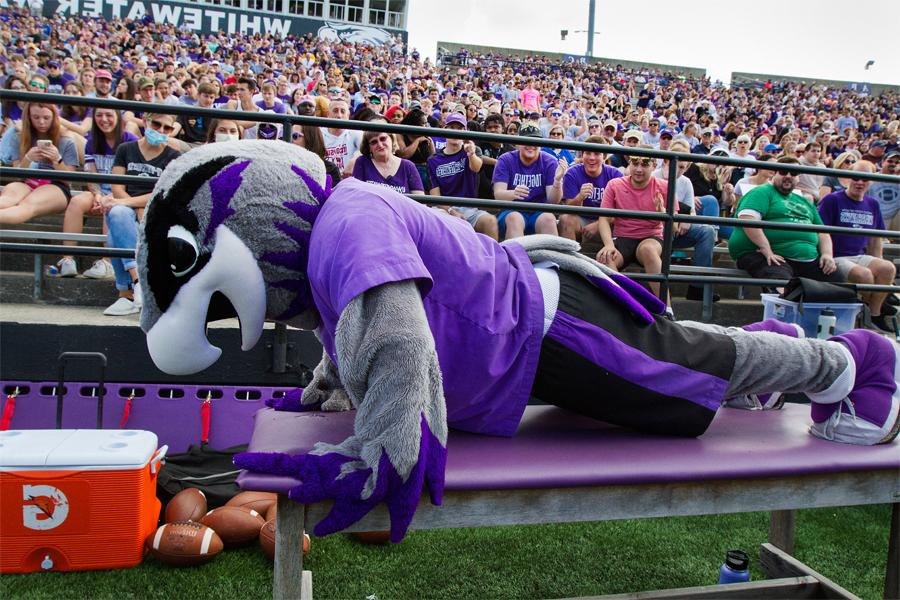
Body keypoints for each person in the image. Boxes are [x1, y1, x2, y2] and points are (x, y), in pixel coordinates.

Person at [138, 143, 899, 547]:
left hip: (558, 331)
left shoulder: (349, 222)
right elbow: (356, 328)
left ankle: (852, 361)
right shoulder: (336, 229)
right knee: (689, 365)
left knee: (687, 391)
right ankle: (764, 344)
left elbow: (398, 339)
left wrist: (380, 447)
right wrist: (327, 394)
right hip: (528, 339)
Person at [102, 113, 181, 315]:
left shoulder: (174, 156)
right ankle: (139, 282)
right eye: (157, 124)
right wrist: (128, 204)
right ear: (145, 122)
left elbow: (163, 194)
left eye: (167, 128)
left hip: (155, 210)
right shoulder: (126, 149)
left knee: (115, 223)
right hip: (127, 205)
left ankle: (126, 293)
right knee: (118, 214)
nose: (161, 130)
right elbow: (117, 186)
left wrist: (131, 204)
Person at [728, 157, 843, 284]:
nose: (788, 176)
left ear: (799, 177)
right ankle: (784, 302)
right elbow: (748, 219)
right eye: (783, 172)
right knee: (780, 280)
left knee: (837, 278)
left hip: (808, 260)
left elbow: (822, 232)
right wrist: (766, 249)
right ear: (774, 173)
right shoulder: (761, 192)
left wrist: (827, 255)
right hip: (767, 254)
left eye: (793, 173)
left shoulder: (804, 201)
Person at [54, 108, 138, 278]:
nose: (104, 119)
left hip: (121, 191)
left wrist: (110, 197)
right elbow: (91, 176)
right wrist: (97, 194)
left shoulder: (130, 140)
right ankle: (68, 259)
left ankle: (107, 262)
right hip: (99, 190)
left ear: (118, 118)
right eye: (99, 115)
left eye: (109, 115)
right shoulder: (91, 142)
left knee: (111, 208)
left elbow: (131, 178)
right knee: (76, 202)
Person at [818, 161, 897, 333]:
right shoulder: (833, 200)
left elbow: (875, 239)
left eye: (865, 179)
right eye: (855, 178)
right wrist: (826, 254)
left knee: (887, 268)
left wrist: (878, 260)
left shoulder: (873, 203)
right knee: (865, 275)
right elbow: (820, 231)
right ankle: (872, 307)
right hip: (836, 256)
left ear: (871, 181)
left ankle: (875, 315)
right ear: (847, 179)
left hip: (859, 255)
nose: (859, 183)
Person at [596, 147, 671, 305]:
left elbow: (674, 228)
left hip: (652, 237)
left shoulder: (664, 186)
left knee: (648, 250)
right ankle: (627, 306)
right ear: (629, 162)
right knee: (605, 257)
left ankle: (668, 311)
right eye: (635, 163)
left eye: (644, 164)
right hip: (623, 237)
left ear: (654, 165)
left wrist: (662, 212)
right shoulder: (615, 184)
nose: (638, 169)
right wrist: (609, 244)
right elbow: (603, 218)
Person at [654, 140, 719, 302]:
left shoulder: (685, 182)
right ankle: (657, 283)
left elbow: (690, 211)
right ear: (666, 161)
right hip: (656, 230)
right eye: (677, 165)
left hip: (679, 230)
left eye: (683, 167)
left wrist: (686, 219)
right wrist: (677, 217)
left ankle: (697, 288)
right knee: (665, 226)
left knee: (707, 231)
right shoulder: (653, 176)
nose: (679, 170)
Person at [0, 102, 79, 224]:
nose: (41, 122)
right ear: (29, 117)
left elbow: (69, 179)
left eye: (46, 118)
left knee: (28, 205)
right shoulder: (19, 138)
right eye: (36, 117)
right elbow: (17, 174)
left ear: (54, 117)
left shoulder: (66, 141)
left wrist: (57, 159)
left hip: (56, 185)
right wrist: (28, 158)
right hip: (26, 182)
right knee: (6, 199)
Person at [426, 112, 497, 240]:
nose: (455, 132)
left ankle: (495, 259)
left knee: (490, 221)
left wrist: (470, 154)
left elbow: (476, 168)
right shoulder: (433, 160)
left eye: (459, 128)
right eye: (452, 127)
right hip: (444, 209)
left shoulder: (473, 151)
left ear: (465, 131)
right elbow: (435, 195)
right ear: (445, 130)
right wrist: (451, 211)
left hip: (469, 208)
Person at [492, 124, 566, 240]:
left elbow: (553, 201)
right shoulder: (505, 159)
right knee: (515, 218)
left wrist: (557, 181)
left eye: (535, 141)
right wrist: (513, 193)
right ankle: (516, 258)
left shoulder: (549, 161)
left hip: (539, 212)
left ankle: (550, 258)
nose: (531, 145)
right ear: (518, 144)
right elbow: (498, 195)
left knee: (549, 218)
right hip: (511, 211)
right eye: (526, 140)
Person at [558, 134, 622, 243]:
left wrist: (599, 224)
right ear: (582, 155)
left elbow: (622, 210)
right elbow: (569, 208)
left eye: (597, 153)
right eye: (588, 153)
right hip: (581, 220)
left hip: (608, 223)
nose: (592, 158)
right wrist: (580, 197)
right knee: (565, 219)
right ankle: (570, 259)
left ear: (604, 157)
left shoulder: (615, 175)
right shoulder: (572, 173)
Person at [353, 130, 424, 195]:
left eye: (383, 139)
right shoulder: (362, 162)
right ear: (369, 147)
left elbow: (420, 202)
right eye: (374, 142)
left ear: (392, 139)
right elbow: (355, 196)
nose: (380, 145)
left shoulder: (408, 166)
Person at [476, 113, 515, 199]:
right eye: (489, 128)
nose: (493, 130)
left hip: (503, 193)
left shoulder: (510, 149)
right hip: (481, 195)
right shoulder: (480, 143)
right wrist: (496, 162)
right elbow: (475, 156)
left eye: (496, 127)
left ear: (503, 129)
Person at [322, 98, 362, 177]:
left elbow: (365, 148)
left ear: (348, 115)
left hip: (348, 180)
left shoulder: (355, 132)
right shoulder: (319, 133)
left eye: (343, 111)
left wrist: (354, 160)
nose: (339, 115)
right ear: (328, 114)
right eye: (335, 111)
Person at [868, 150, 900, 231]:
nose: (893, 164)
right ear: (883, 162)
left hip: (894, 219)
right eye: (890, 161)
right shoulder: (872, 178)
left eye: (897, 162)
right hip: (875, 217)